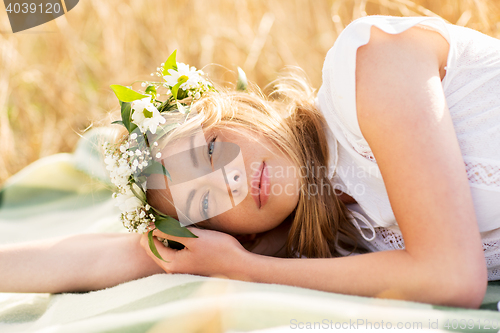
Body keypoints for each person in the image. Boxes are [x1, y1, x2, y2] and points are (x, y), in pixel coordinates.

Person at [1, 15, 499, 309]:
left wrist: (245, 270)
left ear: (240, 111)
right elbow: (119, 254)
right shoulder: (317, 236)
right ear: (235, 232)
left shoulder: (369, 68)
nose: (229, 178)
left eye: (212, 149)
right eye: (204, 198)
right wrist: (239, 260)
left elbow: (452, 278)